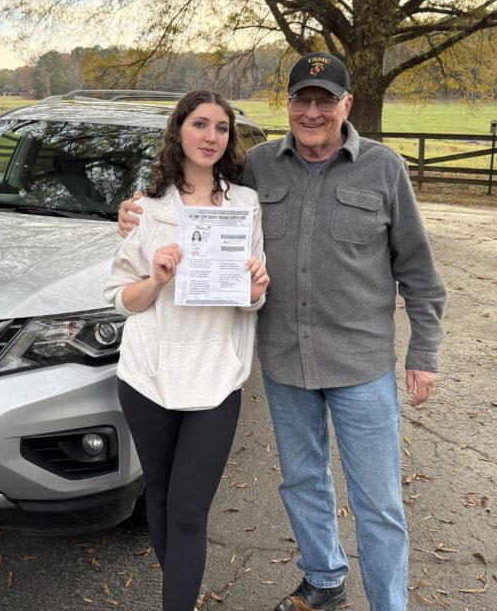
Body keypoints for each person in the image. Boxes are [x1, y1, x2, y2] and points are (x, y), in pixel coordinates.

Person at [117, 54, 446, 611]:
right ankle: (323, 579)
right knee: (302, 482)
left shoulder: (384, 168)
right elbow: (194, 189)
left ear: (346, 105)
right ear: (289, 106)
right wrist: (130, 213)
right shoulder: (259, 169)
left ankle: (389, 604)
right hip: (286, 360)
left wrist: (425, 350)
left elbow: (417, 266)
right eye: (301, 99)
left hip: (360, 363)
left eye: (325, 100)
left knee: (378, 502)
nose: (312, 111)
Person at [103, 90, 270, 611]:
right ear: (179, 132)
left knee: (190, 510)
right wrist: (154, 279)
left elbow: (253, 291)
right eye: (200, 124)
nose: (211, 136)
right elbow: (121, 298)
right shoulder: (147, 209)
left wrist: (255, 288)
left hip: (216, 375)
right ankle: (182, 593)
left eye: (221, 128)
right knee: (159, 495)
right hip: (148, 373)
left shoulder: (244, 206)